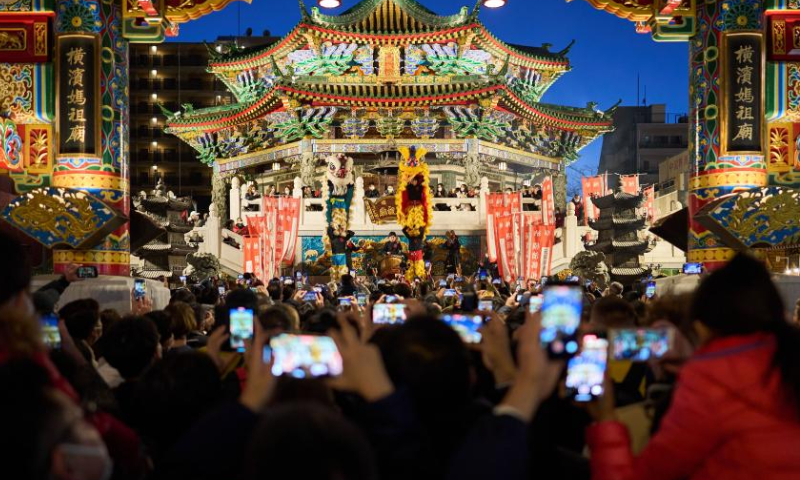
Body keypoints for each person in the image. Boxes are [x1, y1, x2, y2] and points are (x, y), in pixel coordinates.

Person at [586, 254, 800, 480]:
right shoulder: (787, 354)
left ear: (703, 325)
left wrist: (605, 418)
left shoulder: (707, 376)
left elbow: (642, 474)